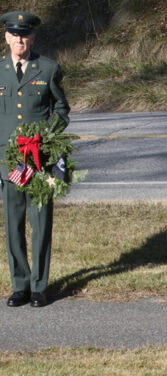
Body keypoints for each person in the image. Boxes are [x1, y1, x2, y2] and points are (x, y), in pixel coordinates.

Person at [0, 11, 70, 307]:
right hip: (8, 161)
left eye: (25, 34)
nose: (20, 39)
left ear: (33, 37)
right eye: (15, 34)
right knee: (13, 224)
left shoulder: (48, 68)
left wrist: (47, 137)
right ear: (6, 37)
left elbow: (61, 109)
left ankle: (40, 285)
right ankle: (20, 285)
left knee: (40, 223)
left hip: (39, 162)